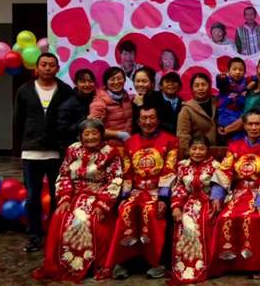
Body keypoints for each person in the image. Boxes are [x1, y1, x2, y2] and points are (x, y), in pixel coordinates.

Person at [33, 119, 124, 281]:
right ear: (81, 136)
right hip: (75, 195)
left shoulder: (111, 152)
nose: (91, 137)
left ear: (102, 135)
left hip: (99, 195)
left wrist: (103, 204)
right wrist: (65, 198)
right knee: (60, 217)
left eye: (95, 133)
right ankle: (63, 264)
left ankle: (95, 265)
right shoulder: (72, 150)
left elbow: (115, 179)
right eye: (86, 134)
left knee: (97, 222)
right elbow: (64, 175)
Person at [106, 106, 179, 280]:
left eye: (152, 117)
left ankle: (157, 261)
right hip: (136, 192)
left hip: (158, 191)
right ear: (138, 122)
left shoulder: (170, 141)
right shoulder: (130, 143)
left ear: (158, 120)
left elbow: (169, 171)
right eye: (144, 118)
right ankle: (124, 261)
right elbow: (127, 174)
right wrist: (124, 197)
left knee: (152, 212)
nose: (148, 122)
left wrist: (163, 199)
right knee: (126, 210)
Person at [14, 53, 75, 252]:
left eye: (51, 65)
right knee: (33, 197)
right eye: (44, 65)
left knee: (58, 196)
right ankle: (33, 235)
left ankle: (56, 234)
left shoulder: (65, 90)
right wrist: (25, 143)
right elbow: (19, 120)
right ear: (37, 68)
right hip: (31, 153)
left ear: (57, 68)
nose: (47, 68)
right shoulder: (25, 90)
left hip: (57, 152)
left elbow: (70, 118)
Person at [208, 110, 260, 279]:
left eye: (257, 124)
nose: (253, 127)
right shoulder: (234, 146)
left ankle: (257, 265)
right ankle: (227, 263)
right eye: (250, 124)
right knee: (224, 217)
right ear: (244, 126)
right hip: (238, 194)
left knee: (255, 218)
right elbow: (225, 171)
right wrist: (217, 196)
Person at [169, 136, 219, 284]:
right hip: (187, 202)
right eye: (194, 148)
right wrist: (176, 207)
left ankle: (205, 265)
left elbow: (220, 187)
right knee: (183, 222)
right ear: (189, 149)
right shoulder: (182, 166)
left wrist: (216, 201)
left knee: (206, 221)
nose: (197, 152)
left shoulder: (216, 166)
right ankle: (183, 266)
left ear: (208, 150)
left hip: (208, 202)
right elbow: (178, 187)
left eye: (202, 149)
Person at [221, 55, 260, 139]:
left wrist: (225, 130)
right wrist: (224, 124)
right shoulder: (250, 88)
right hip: (241, 139)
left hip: (259, 142)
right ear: (257, 69)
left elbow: (248, 119)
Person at [89, 67, 134, 148]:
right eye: (112, 79)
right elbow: (93, 128)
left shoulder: (126, 97)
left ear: (124, 80)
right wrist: (120, 135)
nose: (116, 82)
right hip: (108, 148)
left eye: (119, 78)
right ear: (106, 82)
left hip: (127, 147)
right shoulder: (99, 101)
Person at [56, 68, 98, 153]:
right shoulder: (68, 103)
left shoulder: (97, 100)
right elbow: (62, 131)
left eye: (90, 81)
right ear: (76, 83)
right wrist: (85, 121)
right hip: (73, 149)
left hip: (94, 147)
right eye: (83, 81)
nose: (87, 84)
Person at [177, 73, 218, 154]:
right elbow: (183, 137)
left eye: (203, 85)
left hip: (219, 152)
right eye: (196, 86)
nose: (200, 88)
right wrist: (191, 155)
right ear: (192, 89)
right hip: (198, 154)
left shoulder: (217, 103)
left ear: (209, 86)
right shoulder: (187, 109)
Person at [215, 57, 252, 142]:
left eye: (240, 69)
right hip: (226, 113)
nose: (237, 72)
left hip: (240, 113)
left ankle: (240, 144)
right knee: (236, 127)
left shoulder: (246, 81)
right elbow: (221, 83)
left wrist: (253, 83)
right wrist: (221, 78)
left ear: (245, 72)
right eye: (234, 69)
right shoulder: (226, 81)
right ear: (228, 71)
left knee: (244, 125)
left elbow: (256, 78)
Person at [145, 70, 183, 135]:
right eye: (167, 81)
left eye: (174, 81)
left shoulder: (183, 104)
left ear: (179, 86)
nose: (170, 84)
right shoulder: (151, 98)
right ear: (161, 86)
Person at [131, 66, 156, 136]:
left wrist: (140, 105)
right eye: (137, 81)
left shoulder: (159, 98)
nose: (140, 84)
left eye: (144, 81)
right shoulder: (134, 100)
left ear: (152, 83)